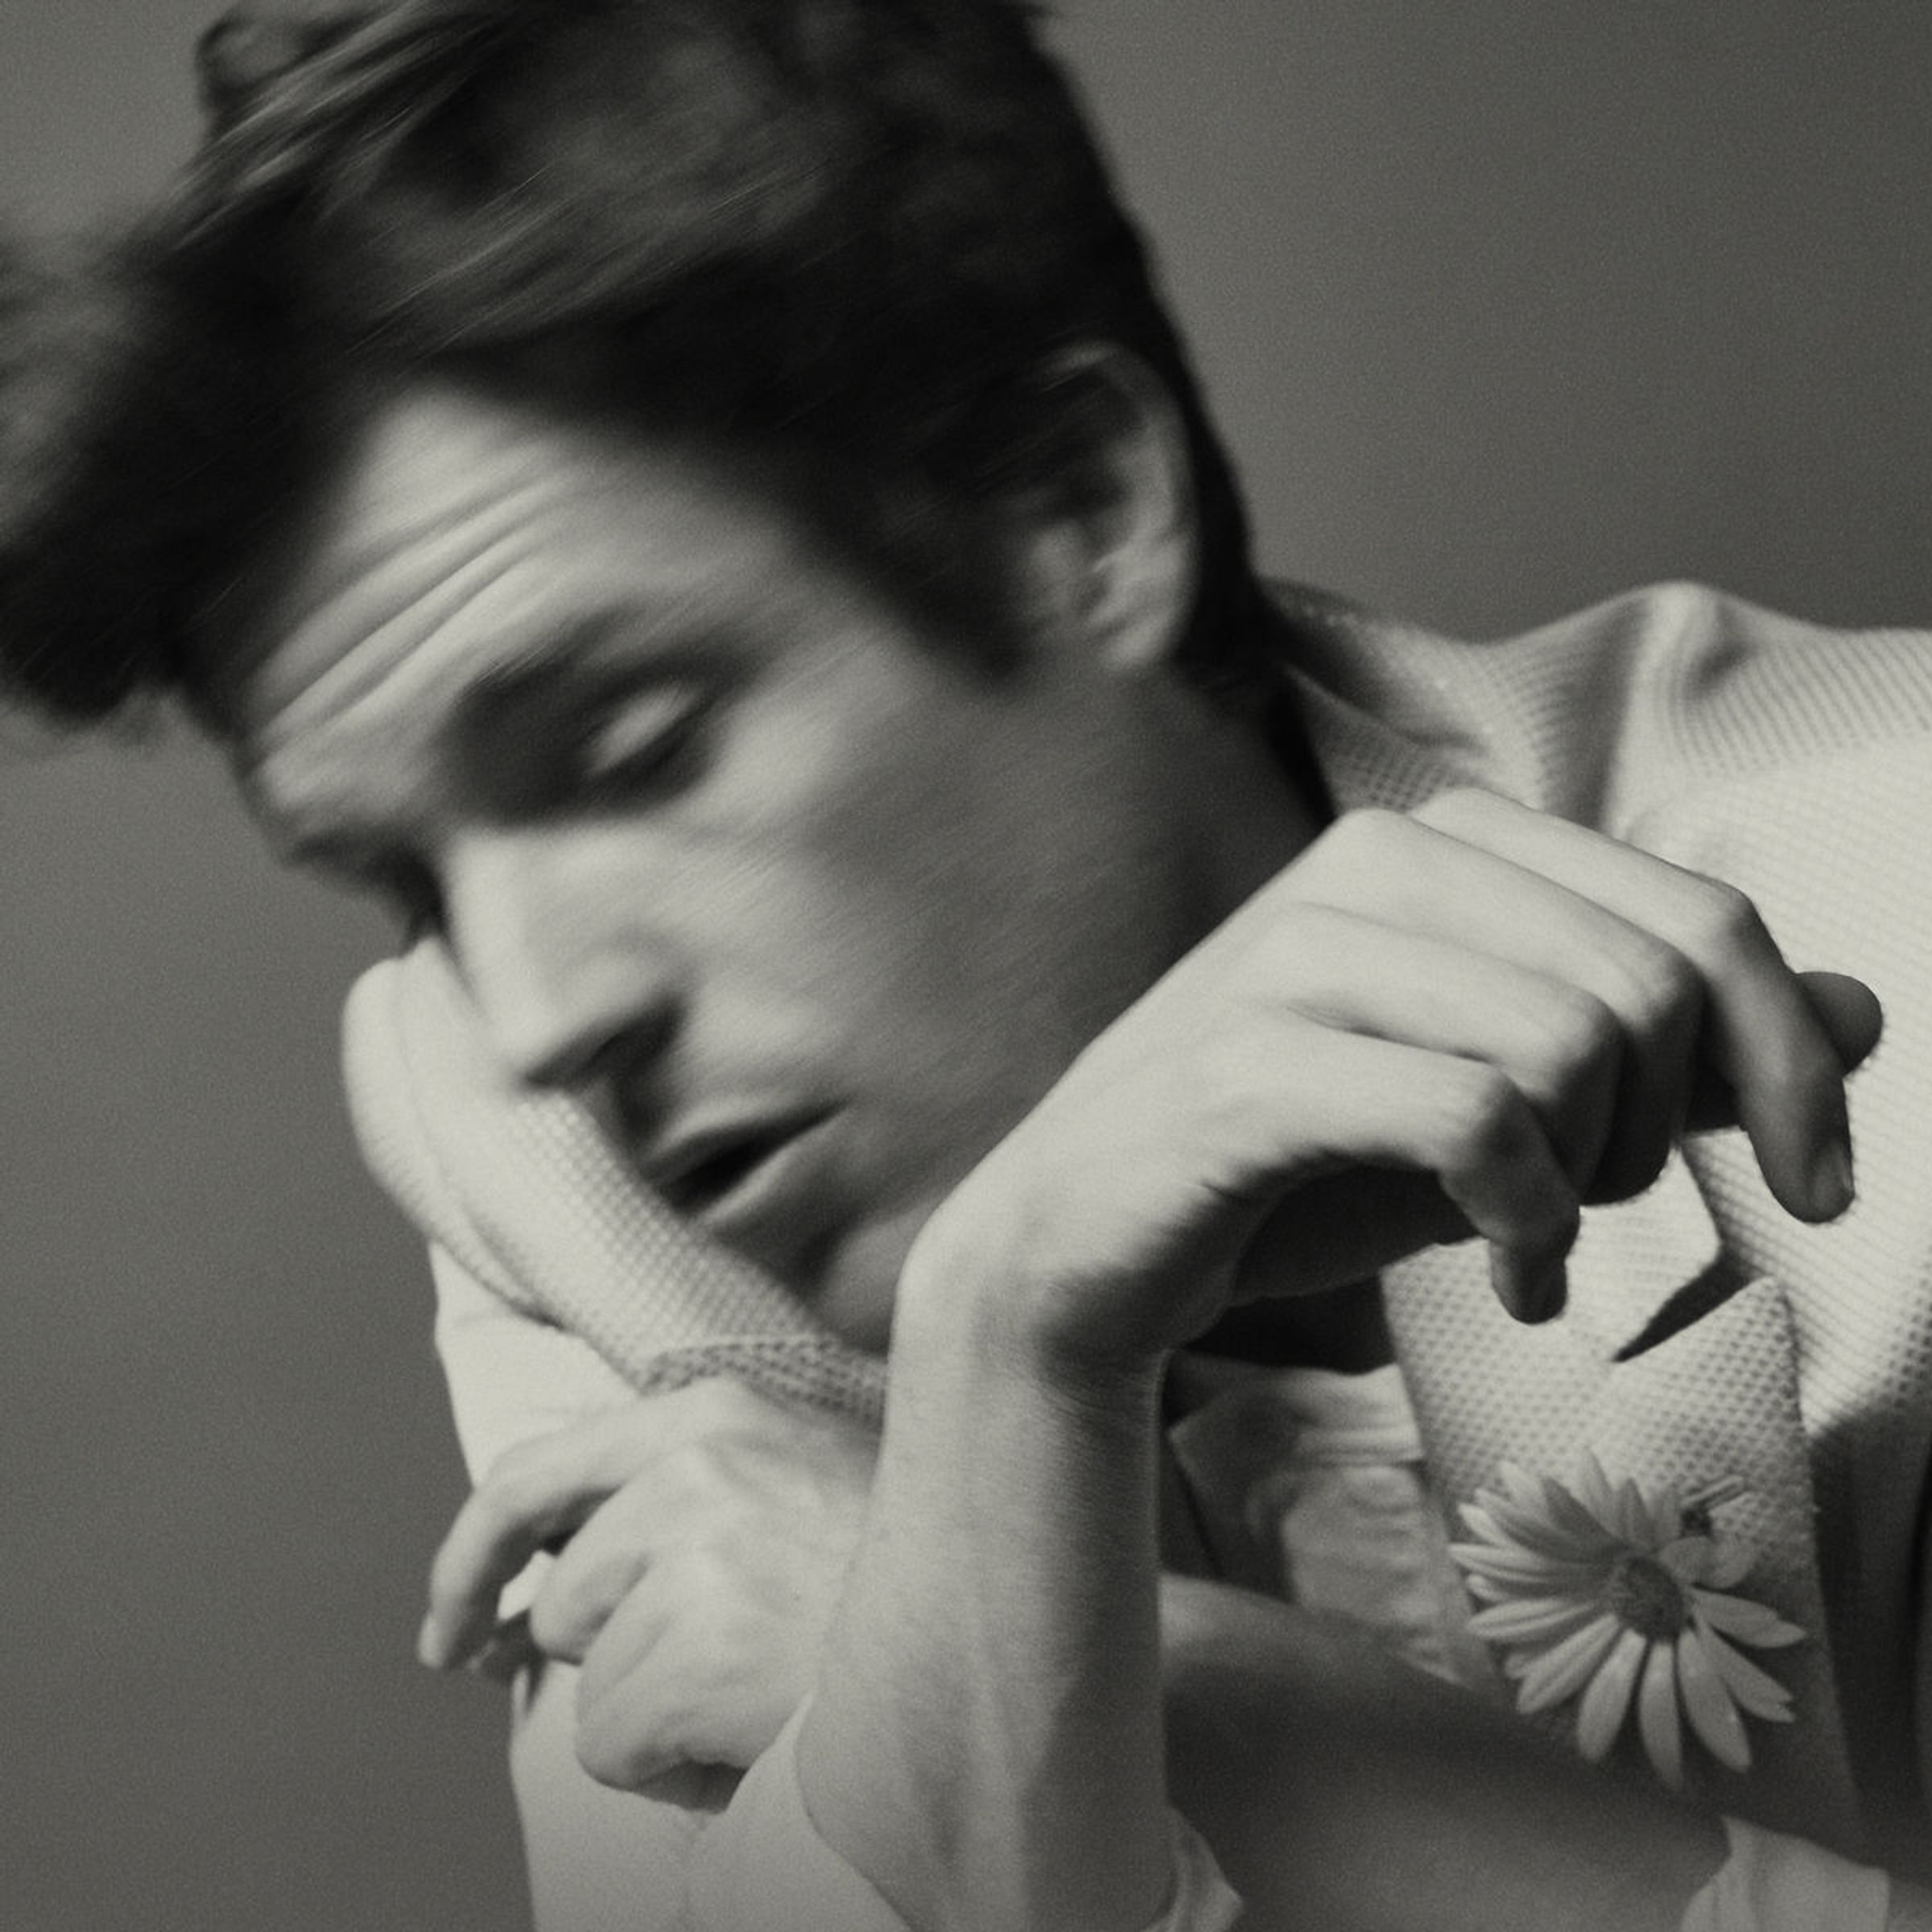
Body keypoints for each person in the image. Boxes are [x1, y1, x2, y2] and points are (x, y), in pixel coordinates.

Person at [2, 2, 1929, 1927]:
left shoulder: (1897, 890)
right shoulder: (549, 1155)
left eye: (631, 753)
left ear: (1078, 512)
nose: (535, 1012)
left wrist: (1117, 1672)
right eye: (404, 882)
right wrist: (1016, 1358)